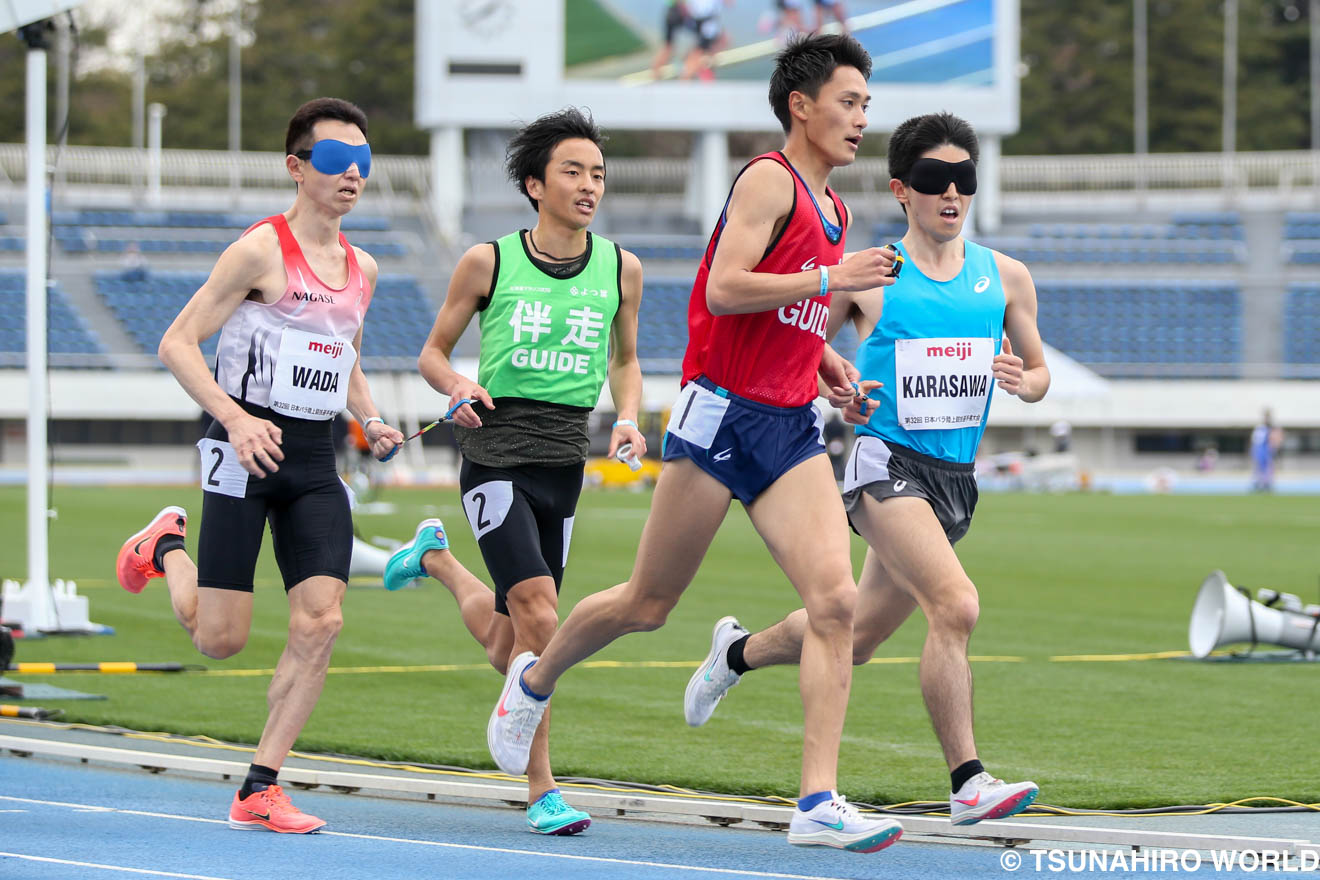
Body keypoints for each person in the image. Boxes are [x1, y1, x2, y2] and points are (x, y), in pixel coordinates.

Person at [488, 34, 906, 855]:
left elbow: (785, 312)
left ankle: (817, 801)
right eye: (850, 102)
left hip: (787, 427)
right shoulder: (765, 179)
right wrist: (834, 280)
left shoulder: (836, 209)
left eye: (866, 105)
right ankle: (532, 682)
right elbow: (724, 288)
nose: (862, 119)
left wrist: (827, 364)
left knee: (836, 603)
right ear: (801, 105)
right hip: (717, 416)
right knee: (648, 604)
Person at [684, 111, 1052, 828]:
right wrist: (842, 390)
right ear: (901, 190)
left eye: (963, 180)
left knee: (853, 635)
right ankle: (968, 781)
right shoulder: (869, 273)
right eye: (933, 180)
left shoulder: (1004, 277)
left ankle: (735, 654)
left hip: (954, 480)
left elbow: (1039, 372)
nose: (951, 193)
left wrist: (1022, 379)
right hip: (885, 467)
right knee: (957, 605)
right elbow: (797, 348)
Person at [113, 97, 404, 834]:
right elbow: (177, 343)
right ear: (296, 167)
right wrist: (238, 420)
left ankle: (260, 785)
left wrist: (367, 418)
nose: (352, 176)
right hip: (240, 446)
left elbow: (345, 354)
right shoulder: (258, 252)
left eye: (363, 163)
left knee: (322, 620)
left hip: (313, 457)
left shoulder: (361, 266)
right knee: (221, 638)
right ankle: (165, 547)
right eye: (336, 162)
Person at [381, 107, 645, 836]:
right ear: (535, 184)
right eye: (573, 171)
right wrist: (456, 387)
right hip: (495, 456)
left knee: (508, 643)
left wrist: (628, 417)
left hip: (565, 464)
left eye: (597, 173)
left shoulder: (622, 267)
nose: (589, 185)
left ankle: (433, 559)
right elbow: (432, 354)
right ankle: (542, 789)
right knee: (538, 615)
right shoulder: (488, 261)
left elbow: (626, 361)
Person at [1250, 409, 1283, 492]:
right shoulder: (1260, 428)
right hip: (1260, 450)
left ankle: (1266, 484)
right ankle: (1258, 483)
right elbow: (1256, 441)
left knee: (1268, 467)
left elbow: (1274, 440)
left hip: (1266, 450)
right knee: (1259, 468)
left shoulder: (1270, 428)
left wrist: (1273, 448)